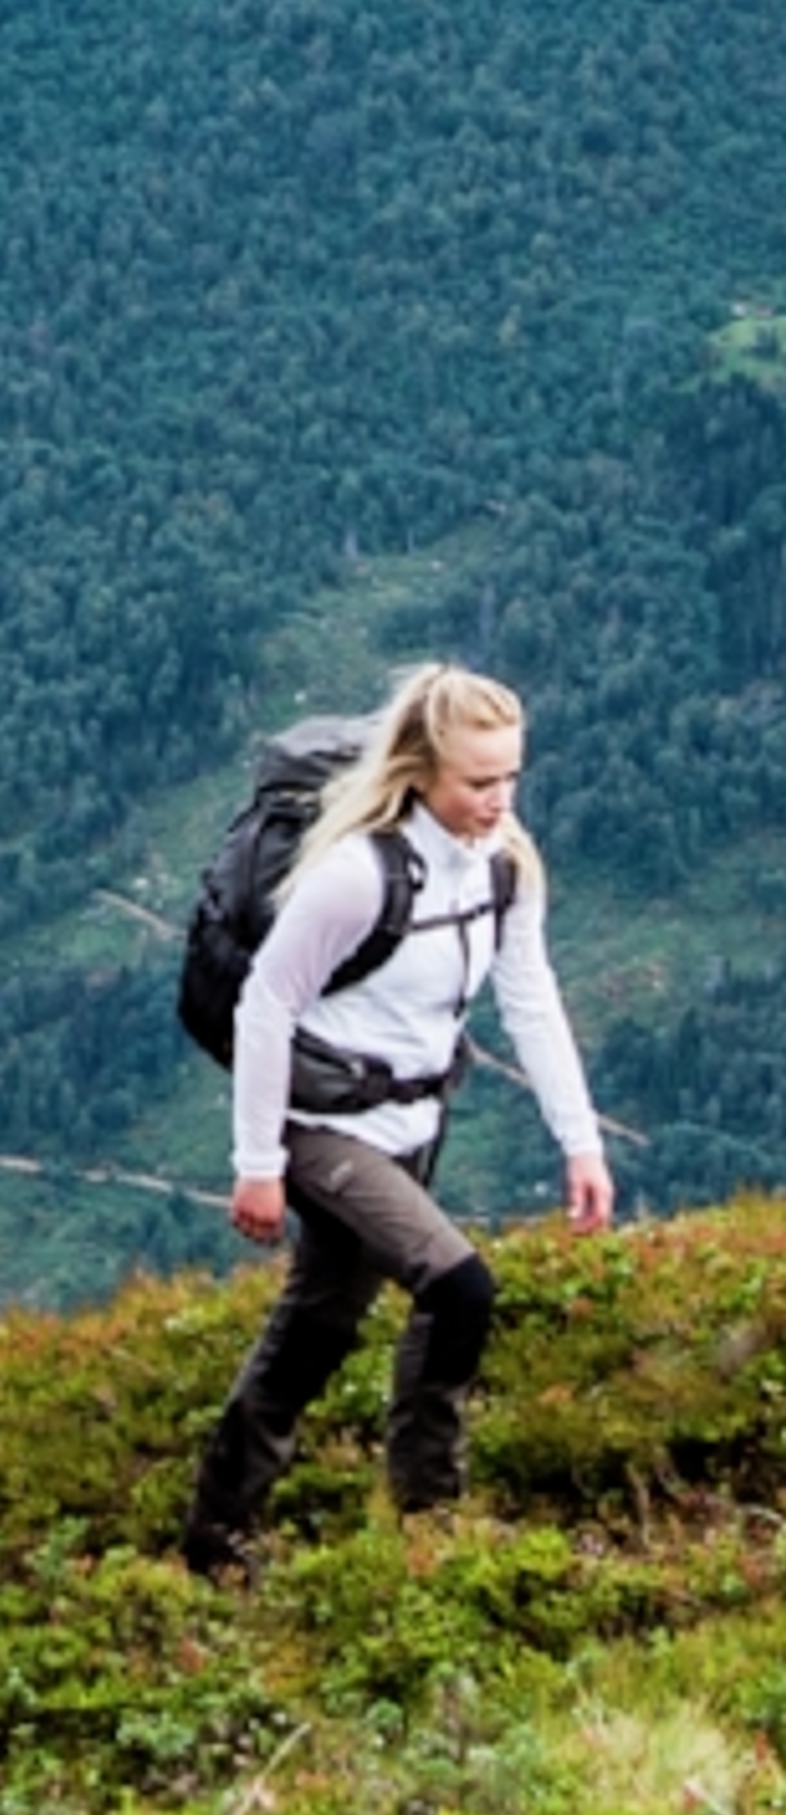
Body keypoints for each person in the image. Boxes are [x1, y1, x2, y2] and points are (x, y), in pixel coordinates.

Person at [184, 658, 612, 1573]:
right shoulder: (357, 874)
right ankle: (429, 1518)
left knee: (316, 1331)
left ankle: (215, 1544)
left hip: (415, 1123)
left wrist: (581, 1142)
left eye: (510, 778)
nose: (499, 801)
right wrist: (257, 1162)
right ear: (421, 769)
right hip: (321, 1125)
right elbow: (266, 1003)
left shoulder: (504, 867)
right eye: (478, 781)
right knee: (461, 1289)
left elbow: (530, 997)